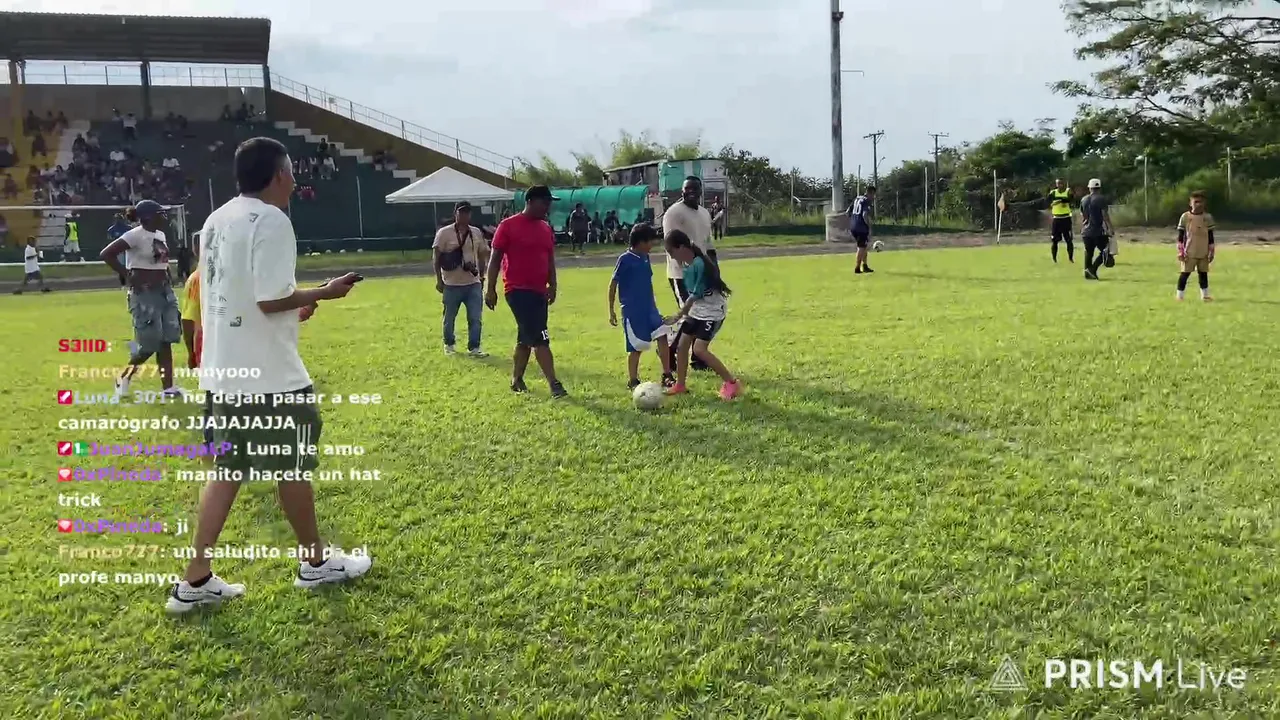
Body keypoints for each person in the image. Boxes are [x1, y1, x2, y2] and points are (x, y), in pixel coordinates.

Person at [165, 137, 369, 615]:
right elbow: (269, 299)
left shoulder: (216, 220)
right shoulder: (272, 220)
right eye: (291, 172)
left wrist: (294, 309)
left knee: (227, 472)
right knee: (291, 467)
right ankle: (315, 563)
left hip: (224, 371)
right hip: (270, 378)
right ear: (278, 174)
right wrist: (325, 291)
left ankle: (195, 579)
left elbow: (234, 297)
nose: (294, 182)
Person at [485, 185, 567, 397]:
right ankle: (554, 383)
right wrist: (490, 288)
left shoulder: (545, 228)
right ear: (530, 201)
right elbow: (495, 259)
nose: (547, 207)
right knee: (540, 337)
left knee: (526, 337)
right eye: (544, 202)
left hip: (539, 291)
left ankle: (516, 379)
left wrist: (553, 285)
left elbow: (549, 259)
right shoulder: (508, 226)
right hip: (517, 290)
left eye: (549, 203)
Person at [101, 201, 182, 399]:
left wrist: (168, 275)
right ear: (148, 217)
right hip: (145, 294)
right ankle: (123, 377)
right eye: (160, 214)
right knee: (150, 343)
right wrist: (127, 275)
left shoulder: (160, 235)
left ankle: (168, 388)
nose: (164, 217)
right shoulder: (134, 235)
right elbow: (107, 254)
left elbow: (160, 262)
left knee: (166, 340)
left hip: (164, 291)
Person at [663, 230, 741, 400]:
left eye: (671, 252)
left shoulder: (699, 264)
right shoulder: (686, 265)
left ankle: (732, 383)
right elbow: (692, 296)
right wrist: (684, 313)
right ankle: (680, 385)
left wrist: (678, 315)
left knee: (699, 350)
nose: (671, 256)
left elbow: (696, 294)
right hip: (697, 310)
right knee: (682, 346)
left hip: (712, 312)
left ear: (681, 247)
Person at [608, 223, 675, 390]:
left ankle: (667, 375)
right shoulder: (625, 259)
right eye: (650, 241)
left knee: (662, 336)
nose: (652, 245)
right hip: (633, 311)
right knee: (636, 348)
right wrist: (611, 310)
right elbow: (613, 284)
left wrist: (653, 306)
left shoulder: (646, 257)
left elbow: (648, 282)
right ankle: (633, 380)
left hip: (650, 309)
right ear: (640, 242)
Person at [662, 176, 715, 373]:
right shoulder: (673, 213)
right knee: (690, 314)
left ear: (700, 191)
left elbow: (708, 244)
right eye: (687, 189)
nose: (691, 192)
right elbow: (670, 246)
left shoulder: (704, 213)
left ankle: (697, 357)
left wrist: (713, 270)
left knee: (702, 314)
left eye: (695, 189)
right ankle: (670, 349)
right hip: (681, 274)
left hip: (701, 271)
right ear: (682, 191)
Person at [433, 201, 490, 357]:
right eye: (461, 212)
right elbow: (436, 257)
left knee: (475, 317)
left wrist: (481, 275)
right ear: (455, 214)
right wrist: (439, 280)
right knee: (449, 317)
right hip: (451, 283)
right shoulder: (444, 233)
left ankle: (474, 347)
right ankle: (449, 344)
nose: (464, 215)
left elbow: (482, 254)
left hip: (472, 283)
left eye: (467, 212)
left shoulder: (476, 232)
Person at [1176, 191, 1215, 301]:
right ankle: (1180, 296)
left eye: (1201, 202)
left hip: (1203, 251)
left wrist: (1211, 251)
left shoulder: (1207, 217)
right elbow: (1180, 236)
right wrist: (1180, 251)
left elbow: (1211, 236)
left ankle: (1205, 295)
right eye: (1196, 202)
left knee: (1203, 273)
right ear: (1190, 203)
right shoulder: (1185, 217)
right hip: (1189, 251)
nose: (1199, 204)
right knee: (1185, 273)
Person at [1080, 178, 1113, 280]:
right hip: (1098, 231)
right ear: (1099, 188)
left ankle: (1087, 272)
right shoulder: (1101, 199)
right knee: (1106, 250)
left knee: (1089, 252)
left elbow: (1083, 216)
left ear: (1090, 188)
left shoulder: (1084, 199)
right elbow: (1105, 215)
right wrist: (1110, 228)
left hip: (1086, 231)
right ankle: (1092, 269)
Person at [848, 187, 876, 274]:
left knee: (864, 246)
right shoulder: (866, 201)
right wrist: (869, 226)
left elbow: (848, 211)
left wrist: (853, 220)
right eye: (873, 195)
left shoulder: (857, 198)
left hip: (853, 226)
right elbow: (864, 215)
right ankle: (857, 268)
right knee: (861, 247)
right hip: (861, 227)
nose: (873, 197)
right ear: (870, 193)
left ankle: (865, 266)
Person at [1048, 178, 1075, 263]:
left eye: (1061, 183)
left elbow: (1070, 199)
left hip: (1066, 218)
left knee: (1068, 240)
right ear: (1056, 184)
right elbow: (1047, 202)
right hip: (1056, 219)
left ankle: (1070, 258)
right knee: (1054, 240)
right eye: (1058, 183)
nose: (1060, 185)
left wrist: (1060, 201)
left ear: (1064, 184)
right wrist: (1052, 203)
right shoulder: (1053, 193)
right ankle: (1054, 259)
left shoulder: (1068, 191)